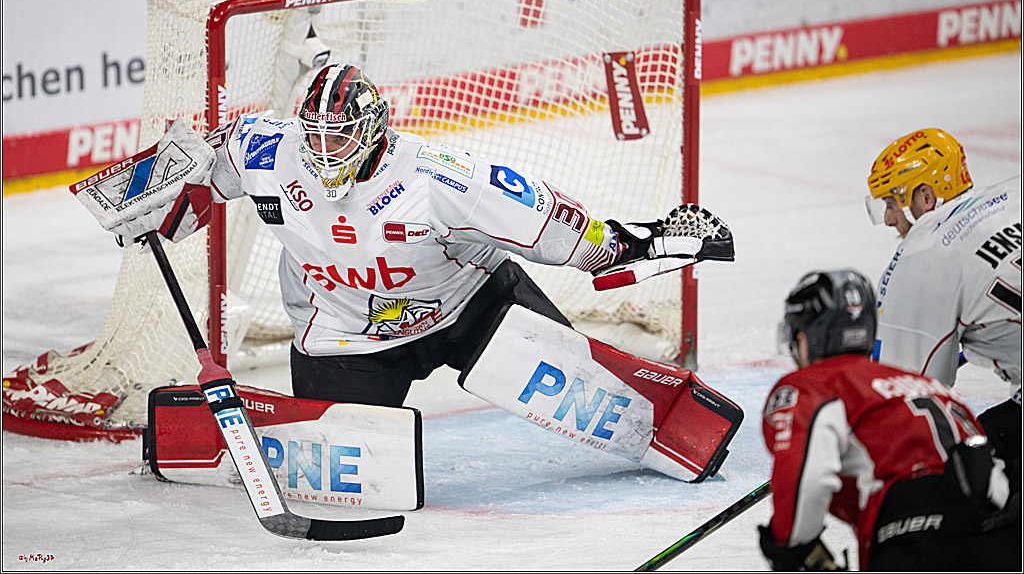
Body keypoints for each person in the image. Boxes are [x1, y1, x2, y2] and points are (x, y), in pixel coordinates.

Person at [80, 62, 738, 482]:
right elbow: (198, 173)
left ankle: (661, 421)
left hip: (471, 309)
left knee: (603, 403)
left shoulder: (448, 180)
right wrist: (150, 200)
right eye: (311, 135)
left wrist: (656, 241)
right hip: (345, 337)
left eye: (335, 138)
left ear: (370, 134)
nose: (319, 150)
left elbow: (568, 236)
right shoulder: (268, 146)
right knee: (338, 475)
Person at [758, 269, 1019, 571]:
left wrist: (789, 546)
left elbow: (809, 477)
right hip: (1004, 531)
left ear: (805, 339)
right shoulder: (928, 387)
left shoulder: (809, 384)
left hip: (918, 539)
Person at [864, 127, 1021, 489]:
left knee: (957, 473)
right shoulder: (1014, 192)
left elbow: (909, 400)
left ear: (925, 197)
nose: (888, 219)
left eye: (890, 203)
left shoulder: (921, 256)